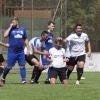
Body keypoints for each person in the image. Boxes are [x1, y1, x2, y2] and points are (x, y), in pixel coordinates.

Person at [1, 16, 30, 84]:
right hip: (12, 52)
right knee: (9, 66)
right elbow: (5, 35)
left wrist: (28, 49)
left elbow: (25, 39)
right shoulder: (11, 29)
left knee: (22, 65)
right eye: (11, 22)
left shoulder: (22, 29)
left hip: (20, 52)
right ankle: (3, 77)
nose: (12, 23)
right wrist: (10, 26)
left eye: (13, 22)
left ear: (17, 22)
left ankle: (23, 80)